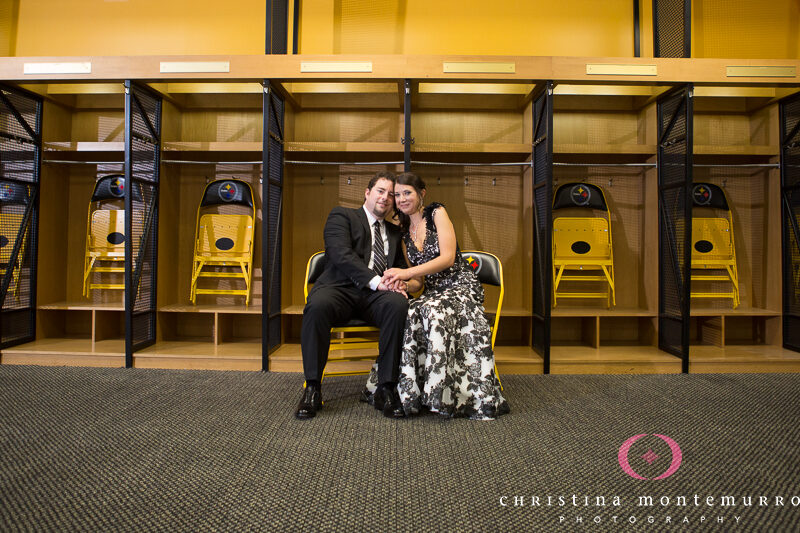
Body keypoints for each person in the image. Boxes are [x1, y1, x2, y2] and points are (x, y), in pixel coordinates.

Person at [365, 172, 509, 420]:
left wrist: (406, 271)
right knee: (407, 309)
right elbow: (418, 282)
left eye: (406, 192)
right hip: (433, 292)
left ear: (422, 193)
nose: (401, 199)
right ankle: (409, 392)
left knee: (433, 310)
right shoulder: (402, 233)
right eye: (396, 195)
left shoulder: (436, 213)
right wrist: (401, 283)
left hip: (459, 286)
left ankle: (447, 394)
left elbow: (447, 258)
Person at [296, 171, 410, 420]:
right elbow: (340, 255)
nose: (385, 198)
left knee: (398, 304)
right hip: (340, 288)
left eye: (391, 195)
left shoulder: (395, 231)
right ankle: (312, 388)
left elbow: (400, 266)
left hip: (376, 297)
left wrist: (399, 282)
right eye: (380, 191)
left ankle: (386, 389)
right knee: (317, 306)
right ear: (367, 193)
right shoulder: (342, 216)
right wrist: (378, 282)